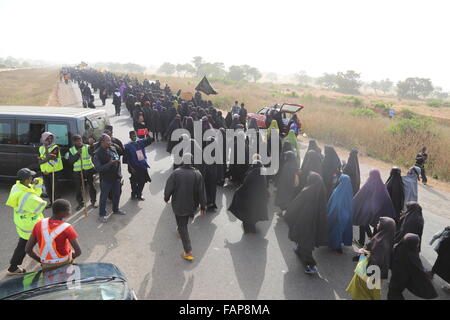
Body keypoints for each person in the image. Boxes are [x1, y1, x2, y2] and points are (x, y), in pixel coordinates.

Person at [164, 153, 207, 261]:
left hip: (179, 205)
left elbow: (169, 187)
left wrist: (166, 197)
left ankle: (188, 252)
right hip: (192, 205)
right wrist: (203, 206)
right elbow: (202, 192)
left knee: (182, 225)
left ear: (183, 161)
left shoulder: (176, 173)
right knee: (184, 220)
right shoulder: (198, 174)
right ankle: (180, 230)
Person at [285, 172, 328, 274]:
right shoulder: (321, 192)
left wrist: (288, 214)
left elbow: (295, 205)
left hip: (304, 221)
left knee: (306, 243)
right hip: (314, 222)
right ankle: (299, 250)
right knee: (306, 240)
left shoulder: (307, 191)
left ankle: (310, 265)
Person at [5, 168, 46, 275]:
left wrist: (37, 183)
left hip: (22, 222)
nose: (33, 178)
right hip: (31, 225)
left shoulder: (17, 187)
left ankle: (13, 267)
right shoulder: (28, 197)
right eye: (31, 177)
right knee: (42, 242)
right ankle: (45, 262)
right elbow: (40, 204)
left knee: (23, 244)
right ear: (27, 180)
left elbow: (32, 192)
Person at [346, 217, 396, 300]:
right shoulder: (387, 238)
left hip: (369, 272)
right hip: (376, 273)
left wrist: (363, 251)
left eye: (380, 223)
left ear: (384, 226)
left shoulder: (380, 242)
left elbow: (376, 259)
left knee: (363, 291)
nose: (377, 224)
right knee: (371, 292)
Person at [25, 199, 82, 270]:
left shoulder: (39, 224)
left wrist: (41, 261)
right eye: (69, 210)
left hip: (46, 264)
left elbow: (28, 249)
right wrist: (72, 256)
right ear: (62, 212)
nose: (70, 212)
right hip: (64, 263)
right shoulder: (67, 228)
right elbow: (78, 252)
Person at [352, 169, 396, 247]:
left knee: (363, 223)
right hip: (379, 211)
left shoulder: (369, 183)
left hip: (368, 209)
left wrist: (353, 203)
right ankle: (372, 240)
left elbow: (360, 195)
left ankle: (362, 241)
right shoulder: (382, 186)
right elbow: (387, 199)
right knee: (376, 227)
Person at [388, 233, 438, 300]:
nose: (418, 245)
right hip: (401, 279)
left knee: (393, 293)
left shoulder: (399, 248)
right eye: (418, 243)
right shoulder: (412, 255)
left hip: (397, 278)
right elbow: (419, 269)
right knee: (394, 293)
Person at [228, 157, 269, 234]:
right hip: (259, 199)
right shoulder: (262, 174)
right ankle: (253, 230)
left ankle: (248, 231)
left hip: (250, 199)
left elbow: (245, 185)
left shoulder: (252, 173)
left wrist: (238, 191)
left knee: (246, 214)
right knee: (254, 215)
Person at [93, 134, 126, 223]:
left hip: (116, 177)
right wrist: (110, 163)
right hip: (106, 179)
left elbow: (117, 158)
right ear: (102, 142)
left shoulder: (112, 148)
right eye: (108, 141)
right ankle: (102, 214)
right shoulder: (97, 154)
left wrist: (119, 173)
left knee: (117, 194)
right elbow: (98, 168)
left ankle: (116, 209)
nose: (110, 142)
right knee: (104, 197)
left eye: (110, 140)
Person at [68, 135, 97, 210]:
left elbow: (92, 153)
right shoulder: (71, 150)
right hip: (78, 171)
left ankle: (93, 201)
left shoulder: (86, 147)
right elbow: (71, 161)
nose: (79, 142)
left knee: (91, 185)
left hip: (88, 169)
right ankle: (80, 203)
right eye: (77, 141)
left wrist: (91, 145)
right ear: (74, 142)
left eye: (80, 140)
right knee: (78, 188)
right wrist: (77, 153)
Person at [123, 131, 154, 201]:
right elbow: (126, 159)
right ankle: (133, 193)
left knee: (142, 181)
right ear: (130, 137)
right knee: (134, 182)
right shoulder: (127, 146)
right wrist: (131, 168)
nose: (134, 137)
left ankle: (139, 194)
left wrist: (147, 132)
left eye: (135, 136)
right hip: (134, 167)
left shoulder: (140, 142)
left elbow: (149, 140)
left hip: (142, 165)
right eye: (132, 136)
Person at [327, 174, 353, 254]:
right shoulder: (350, 191)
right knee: (340, 231)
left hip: (338, 214)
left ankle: (336, 247)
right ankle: (337, 246)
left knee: (336, 231)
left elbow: (333, 203)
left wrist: (330, 214)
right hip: (346, 215)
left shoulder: (337, 190)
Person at [38, 132, 63, 208]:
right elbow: (39, 158)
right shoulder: (40, 148)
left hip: (54, 171)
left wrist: (46, 148)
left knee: (56, 189)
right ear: (43, 139)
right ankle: (52, 203)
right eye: (47, 138)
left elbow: (50, 157)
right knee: (48, 189)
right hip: (45, 171)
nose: (49, 140)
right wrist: (41, 161)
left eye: (51, 138)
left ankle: (58, 205)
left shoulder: (55, 147)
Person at [429, 226, 450, 293]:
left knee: (441, 261)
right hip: (445, 250)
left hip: (446, 249)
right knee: (440, 261)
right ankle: (432, 273)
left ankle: (431, 273)